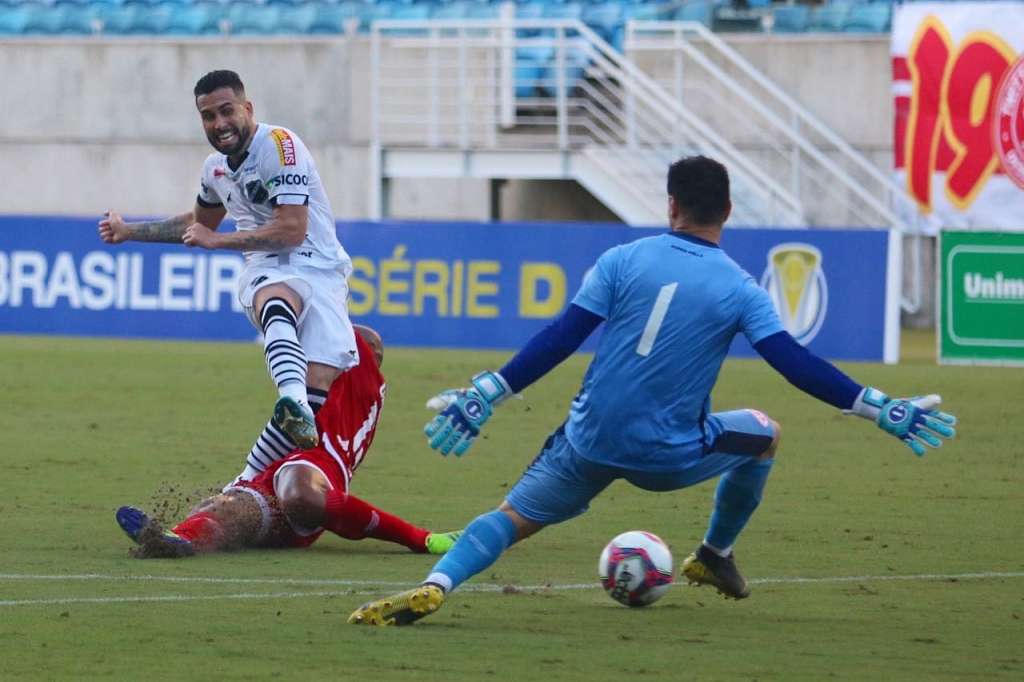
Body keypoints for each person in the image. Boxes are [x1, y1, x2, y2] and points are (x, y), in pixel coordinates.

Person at [347, 155, 958, 626]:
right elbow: (792, 362)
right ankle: (715, 553)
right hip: (669, 455)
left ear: (671, 206)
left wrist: (488, 390)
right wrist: (877, 406)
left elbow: (562, 337)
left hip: (588, 442)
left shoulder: (622, 259)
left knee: (509, 519)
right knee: (765, 434)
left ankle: (439, 583)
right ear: (728, 210)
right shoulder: (739, 288)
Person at [99, 69, 355, 483]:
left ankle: (243, 481)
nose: (219, 124)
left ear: (247, 108)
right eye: (207, 116)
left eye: (226, 111)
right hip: (268, 267)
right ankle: (290, 400)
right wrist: (131, 232)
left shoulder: (280, 146)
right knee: (275, 298)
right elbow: (198, 223)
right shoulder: (214, 169)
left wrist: (217, 242)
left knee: (316, 393)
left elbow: (292, 230)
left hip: (321, 268)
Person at [116, 325, 460, 558]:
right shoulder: (343, 381)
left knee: (297, 491)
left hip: (315, 470)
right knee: (230, 512)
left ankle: (418, 537)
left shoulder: (360, 381)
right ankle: (179, 540)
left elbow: (351, 345)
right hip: (283, 471)